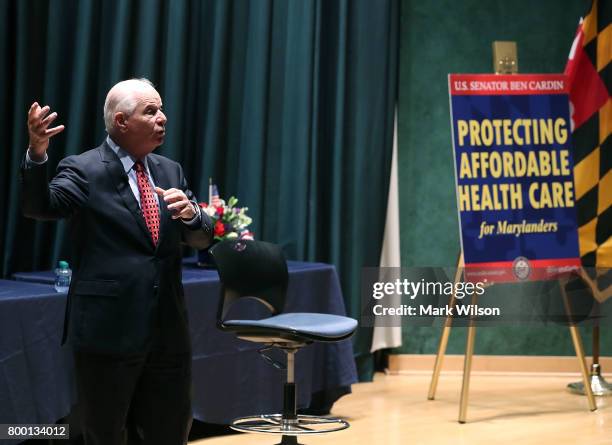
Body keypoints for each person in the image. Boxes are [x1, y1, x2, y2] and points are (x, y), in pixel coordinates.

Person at [21, 78, 212, 445]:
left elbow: (201, 237)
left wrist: (192, 215)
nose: (163, 118)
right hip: (108, 334)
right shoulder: (85, 169)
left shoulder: (169, 170)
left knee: (170, 433)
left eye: (161, 109)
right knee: (104, 434)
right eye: (151, 111)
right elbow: (40, 206)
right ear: (122, 121)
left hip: (168, 334)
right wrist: (37, 153)